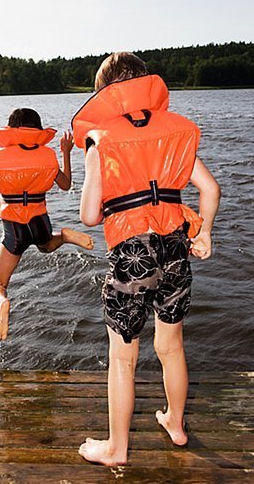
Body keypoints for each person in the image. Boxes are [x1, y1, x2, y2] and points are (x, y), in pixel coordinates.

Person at [72, 52, 221, 466]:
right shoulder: (175, 133)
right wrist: (204, 232)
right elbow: (210, 190)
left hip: (132, 254)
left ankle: (117, 449)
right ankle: (175, 424)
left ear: (105, 91)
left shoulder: (101, 139)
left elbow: (89, 215)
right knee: (171, 345)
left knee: (124, 355)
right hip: (175, 246)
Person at [0, 107, 93, 342]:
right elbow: (65, 185)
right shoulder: (48, 155)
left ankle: (3, 302)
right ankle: (64, 235)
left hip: (14, 227)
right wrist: (65, 151)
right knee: (46, 245)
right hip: (40, 221)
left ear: (12, 130)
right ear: (38, 129)